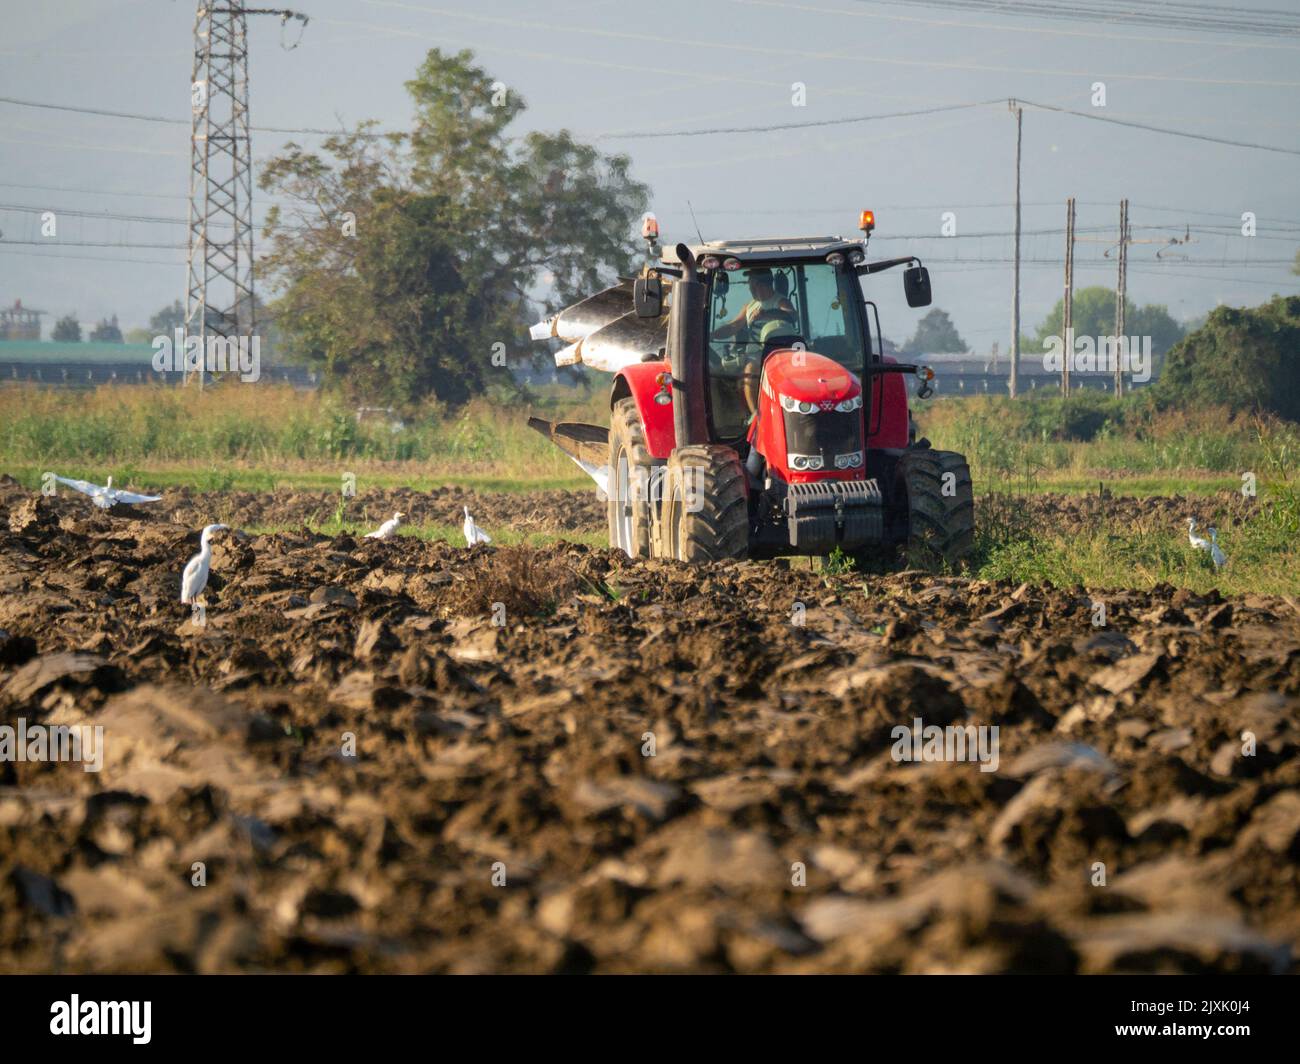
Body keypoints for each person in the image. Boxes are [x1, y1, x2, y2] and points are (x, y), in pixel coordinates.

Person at [711, 268, 798, 425]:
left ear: (760, 285)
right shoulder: (749, 306)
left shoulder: (780, 301)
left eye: (751, 284)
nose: (750, 288)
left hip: (777, 350)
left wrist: (766, 314)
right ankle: (755, 416)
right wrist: (712, 335)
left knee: (750, 371)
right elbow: (734, 326)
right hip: (755, 352)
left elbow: (792, 315)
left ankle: (759, 419)